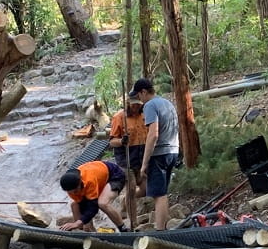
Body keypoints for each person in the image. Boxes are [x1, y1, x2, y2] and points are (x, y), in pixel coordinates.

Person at [132, 77, 180, 231]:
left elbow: (153, 134)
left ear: (144, 92)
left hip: (159, 154)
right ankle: (163, 227)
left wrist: (144, 163)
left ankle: (160, 231)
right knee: (162, 192)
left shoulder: (150, 105)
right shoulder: (167, 103)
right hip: (173, 150)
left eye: (138, 95)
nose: (139, 100)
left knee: (158, 194)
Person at [59, 160, 128, 232]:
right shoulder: (70, 188)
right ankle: (86, 231)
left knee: (102, 203)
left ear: (80, 183)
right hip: (99, 178)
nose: (74, 193)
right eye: (71, 192)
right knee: (74, 205)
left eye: (76, 191)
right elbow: (82, 204)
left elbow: (93, 207)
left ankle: (123, 228)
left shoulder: (89, 181)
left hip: (114, 175)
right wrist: (83, 223)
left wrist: (79, 222)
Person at [109, 94, 147, 196]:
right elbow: (112, 141)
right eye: (133, 105)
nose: (136, 107)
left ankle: (125, 204)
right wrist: (121, 141)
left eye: (138, 105)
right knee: (131, 187)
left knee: (146, 189)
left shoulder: (144, 115)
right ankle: (128, 208)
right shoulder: (119, 117)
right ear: (128, 104)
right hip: (126, 160)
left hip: (141, 159)